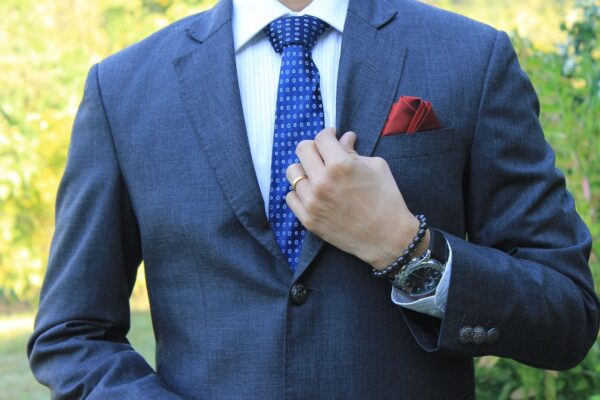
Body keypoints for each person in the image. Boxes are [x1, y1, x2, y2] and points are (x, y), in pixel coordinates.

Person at [28, 0, 599, 398]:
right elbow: (72, 335)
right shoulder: (123, 88)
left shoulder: (471, 57)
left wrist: (405, 248)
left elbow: (568, 314)